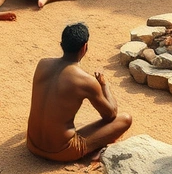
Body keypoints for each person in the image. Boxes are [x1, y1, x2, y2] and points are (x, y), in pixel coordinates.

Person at [26, 23, 132, 161]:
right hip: (61, 152)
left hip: (32, 145)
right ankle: (93, 150)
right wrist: (105, 85)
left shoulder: (42, 64)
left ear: (61, 45)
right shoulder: (86, 81)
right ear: (85, 47)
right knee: (125, 119)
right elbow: (110, 115)